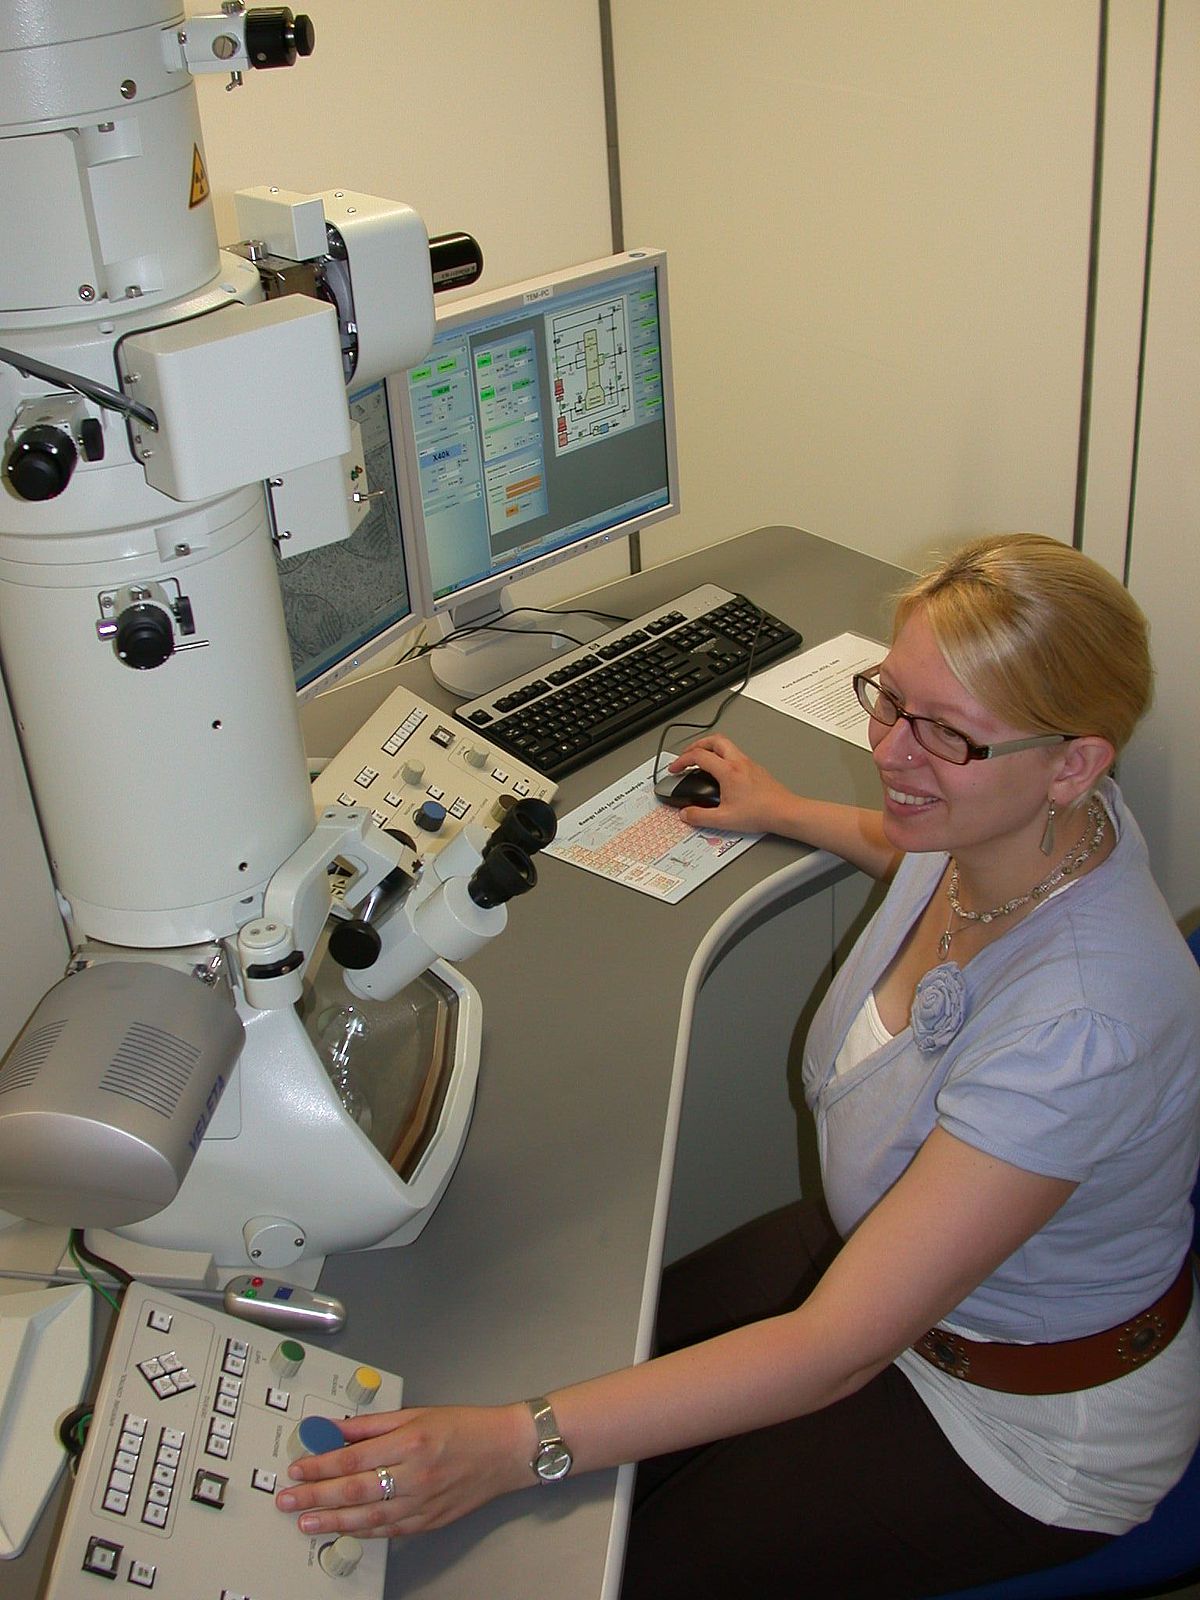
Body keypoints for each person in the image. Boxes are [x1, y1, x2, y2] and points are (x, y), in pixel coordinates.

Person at [276, 534, 1200, 1599]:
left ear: (1074, 763)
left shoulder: (1086, 1023)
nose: (892, 751)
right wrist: (783, 809)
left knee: (618, 1562)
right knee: (557, 1370)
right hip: (890, 1270)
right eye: (891, 699)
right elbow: (915, 852)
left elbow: (834, 1350)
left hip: (1012, 1417)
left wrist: (509, 1447)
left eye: (945, 733)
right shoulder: (1031, 828)